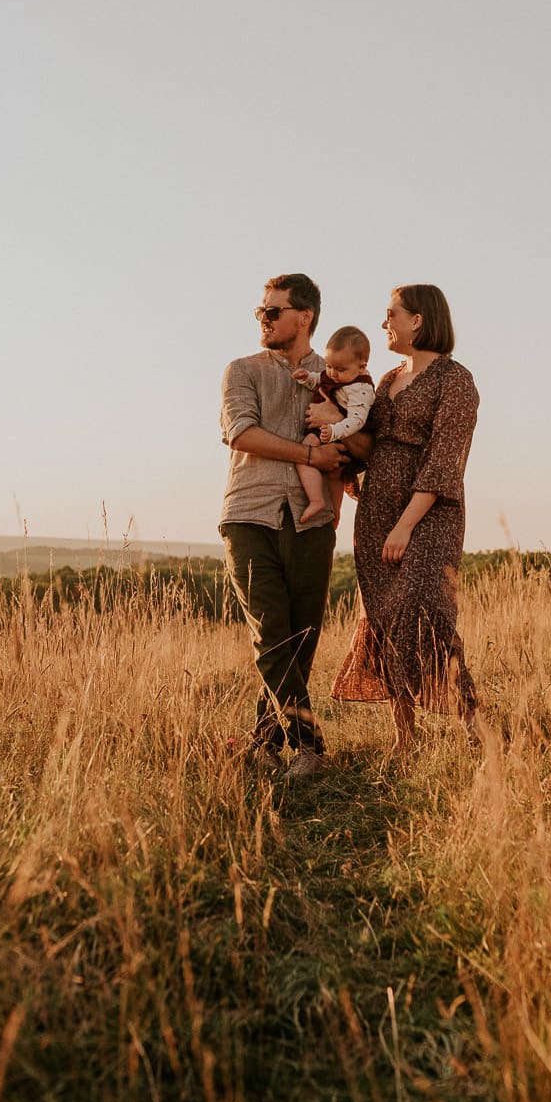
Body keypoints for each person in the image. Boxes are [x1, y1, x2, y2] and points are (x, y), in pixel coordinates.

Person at [308, 284, 479, 752]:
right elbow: (368, 444)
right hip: (377, 509)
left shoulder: (454, 380)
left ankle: (473, 725)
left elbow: (445, 460)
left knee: (426, 609)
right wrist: (331, 421)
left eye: (391, 315)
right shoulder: (384, 381)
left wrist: (406, 524)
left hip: (429, 512)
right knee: (384, 614)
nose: (384, 323)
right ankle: (406, 738)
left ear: (418, 320)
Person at [219, 273, 346, 778]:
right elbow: (241, 432)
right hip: (249, 514)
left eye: (272, 312)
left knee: (300, 638)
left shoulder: (338, 373)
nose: (263, 320)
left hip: (314, 522)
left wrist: (342, 456)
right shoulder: (242, 370)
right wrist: (312, 452)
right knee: (271, 635)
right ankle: (310, 747)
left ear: (305, 317)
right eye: (261, 312)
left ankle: (265, 743)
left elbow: (360, 441)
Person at [292, 325, 375, 525]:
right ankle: (334, 514)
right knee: (335, 474)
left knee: (303, 453)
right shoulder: (335, 374)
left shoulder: (360, 389)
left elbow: (358, 420)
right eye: (329, 366)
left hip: (343, 431)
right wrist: (307, 378)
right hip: (333, 429)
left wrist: (334, 429)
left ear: (361, 367)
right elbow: (321, 381)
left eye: (340, 369)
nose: (333, 373)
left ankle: (316, 500)